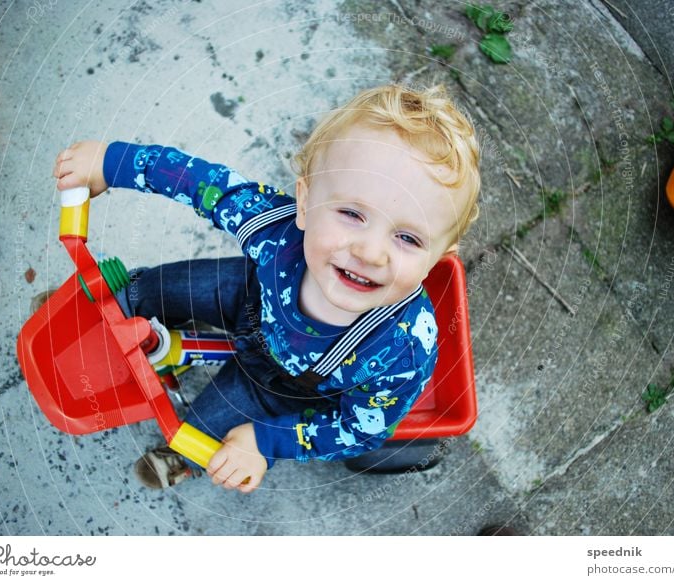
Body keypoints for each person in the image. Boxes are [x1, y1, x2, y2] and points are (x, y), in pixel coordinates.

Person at [52, 84, 481, 493]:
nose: (370, 252)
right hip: (248, 298)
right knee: (157, 287)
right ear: (307, 203)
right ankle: (111, 304)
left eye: (408, 239)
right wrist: (113, 163)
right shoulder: (273, 229)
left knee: (206, 435)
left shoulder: (402, 350)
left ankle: (183, 459)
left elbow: (361, 430)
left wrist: (266, 442)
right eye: (352, 213)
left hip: (282, 385)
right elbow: (203, 183)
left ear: (441, 253)